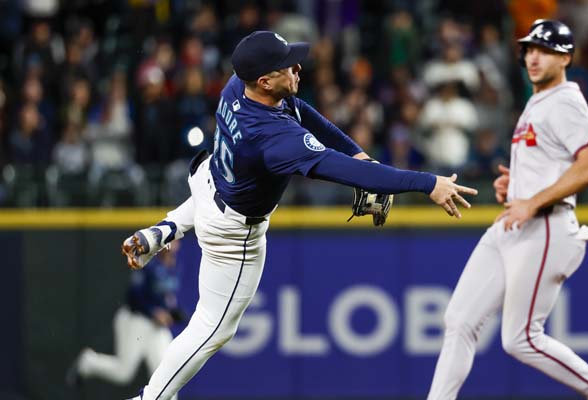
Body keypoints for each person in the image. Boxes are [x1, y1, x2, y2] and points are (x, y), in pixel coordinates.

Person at [120, 31, 477, 400]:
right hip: (231, 235)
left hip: (209, 183)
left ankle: (164, 230)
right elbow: (348, 173)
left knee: (220, 193)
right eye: (286, 65)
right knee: (210, 329)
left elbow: (305, 114)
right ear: (264, 80)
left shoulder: (236, 85)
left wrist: (359, 153)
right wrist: (427, 183)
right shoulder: (274, 139)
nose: (297, 66)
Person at [426, 20, 588, 400]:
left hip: (547, 225)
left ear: (566, 57)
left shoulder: (565, 101)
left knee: (520, 338)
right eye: (529, 49)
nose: (533, 57)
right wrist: (517, 185)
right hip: (514, 223)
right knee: (459, 320)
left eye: (544, 50)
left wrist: (532, 200)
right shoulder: (537, 101)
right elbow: (550, 163)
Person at [67, 241, 184, 400]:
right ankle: (88, 362)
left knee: (167, 373)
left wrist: (172, 313)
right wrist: (154, 312)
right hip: (136, 320)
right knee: (123, 372)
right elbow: (133, 295)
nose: (172, 245)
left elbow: (167, 298)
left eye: (175, 241)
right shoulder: (148, 261)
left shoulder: (174, 266)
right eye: (169, 241)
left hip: (156, 329)